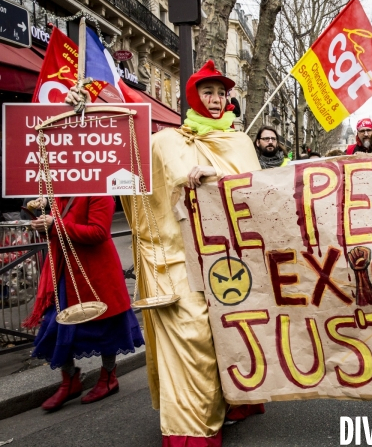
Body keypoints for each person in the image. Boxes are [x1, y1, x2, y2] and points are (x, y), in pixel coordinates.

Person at [121, 60, 263, 446]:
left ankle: (237, 399)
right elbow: (134, 181)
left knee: (235, 334)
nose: (216, 100)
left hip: (234, 261)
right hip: (181, 259)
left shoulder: (240, 140)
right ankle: (193, 428)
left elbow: (258, 195)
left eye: (221, 93)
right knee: (195, 337)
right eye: (208, 92)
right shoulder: (165, 141)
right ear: (193, 96)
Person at [24, 196, 143, 411]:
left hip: (96, 271)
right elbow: (57, 231)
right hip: (64, 271)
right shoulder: (57, 193)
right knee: (57, 327)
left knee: (106, 327)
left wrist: (54, 224)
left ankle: (109, 378)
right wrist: (43, 225)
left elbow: (98, 232)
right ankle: (70, 380)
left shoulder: (99, 192)